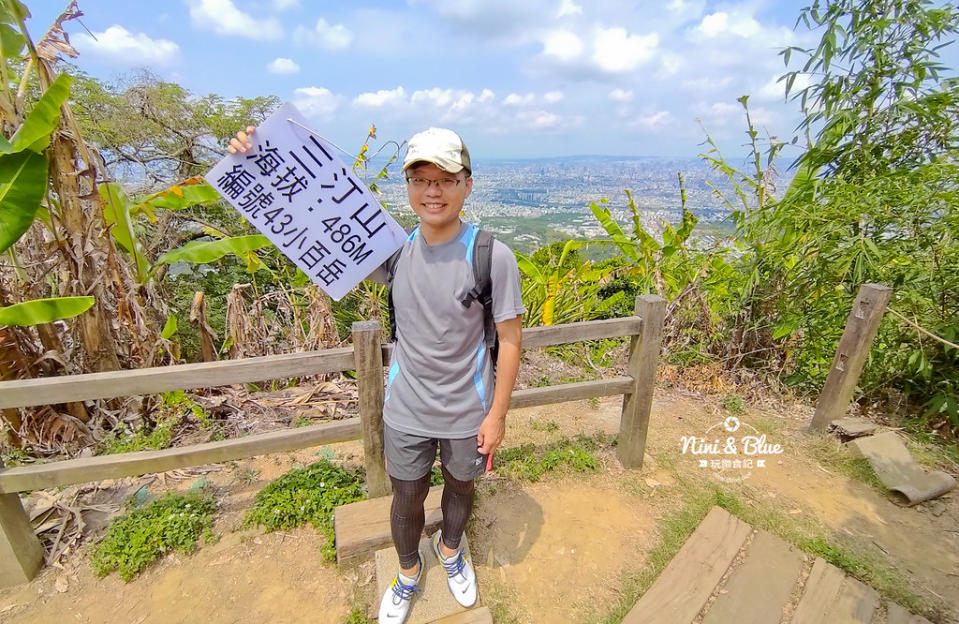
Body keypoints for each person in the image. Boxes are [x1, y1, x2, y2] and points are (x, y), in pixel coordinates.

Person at [229, 126, 524, 622]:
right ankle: (408, 571)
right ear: (409, 188)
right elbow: (314, 216)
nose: (433, 191)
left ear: (466, 186)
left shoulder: (492, 256)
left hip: (467, 411)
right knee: (406, 495)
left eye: (445, 180)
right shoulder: (393, 252)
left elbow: (511, 339)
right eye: (421, 180)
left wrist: (497, 415)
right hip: (406, 407)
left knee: (460, 488)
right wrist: (259, 156)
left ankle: (451, 552)